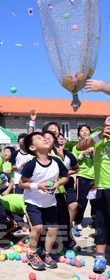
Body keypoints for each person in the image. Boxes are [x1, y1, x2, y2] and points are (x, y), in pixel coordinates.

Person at [20, 132, 68, 271]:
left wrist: (58, 183)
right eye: (40, 138)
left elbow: (65, 177)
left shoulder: (57, 161)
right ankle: (32, 253)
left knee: (53, 229)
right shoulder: (31, 165)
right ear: (33, 147)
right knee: (37, 228)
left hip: (50, 202)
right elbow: (22, 184)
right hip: (33, 201)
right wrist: (38, 186)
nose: (45, 139)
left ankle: (46, 254)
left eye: (45, 137)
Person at [76, 116, 110, 273]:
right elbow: (80, 145)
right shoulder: (97, 138)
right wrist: (99, 135)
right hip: (102, 187)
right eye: (107, 122)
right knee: (101, 223)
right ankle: (100, 256)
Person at [72, 124, 96, 231]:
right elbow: (74, 163)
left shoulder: (96, 145)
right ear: (78, 135)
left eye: (87, 130)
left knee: (94, 200)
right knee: (82, 200)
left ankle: (95, 221)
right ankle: (78, 221)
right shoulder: (76, 147)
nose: (85, 132)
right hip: (82, 177)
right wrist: (82, 155)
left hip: (95, 177)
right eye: (82, 131)